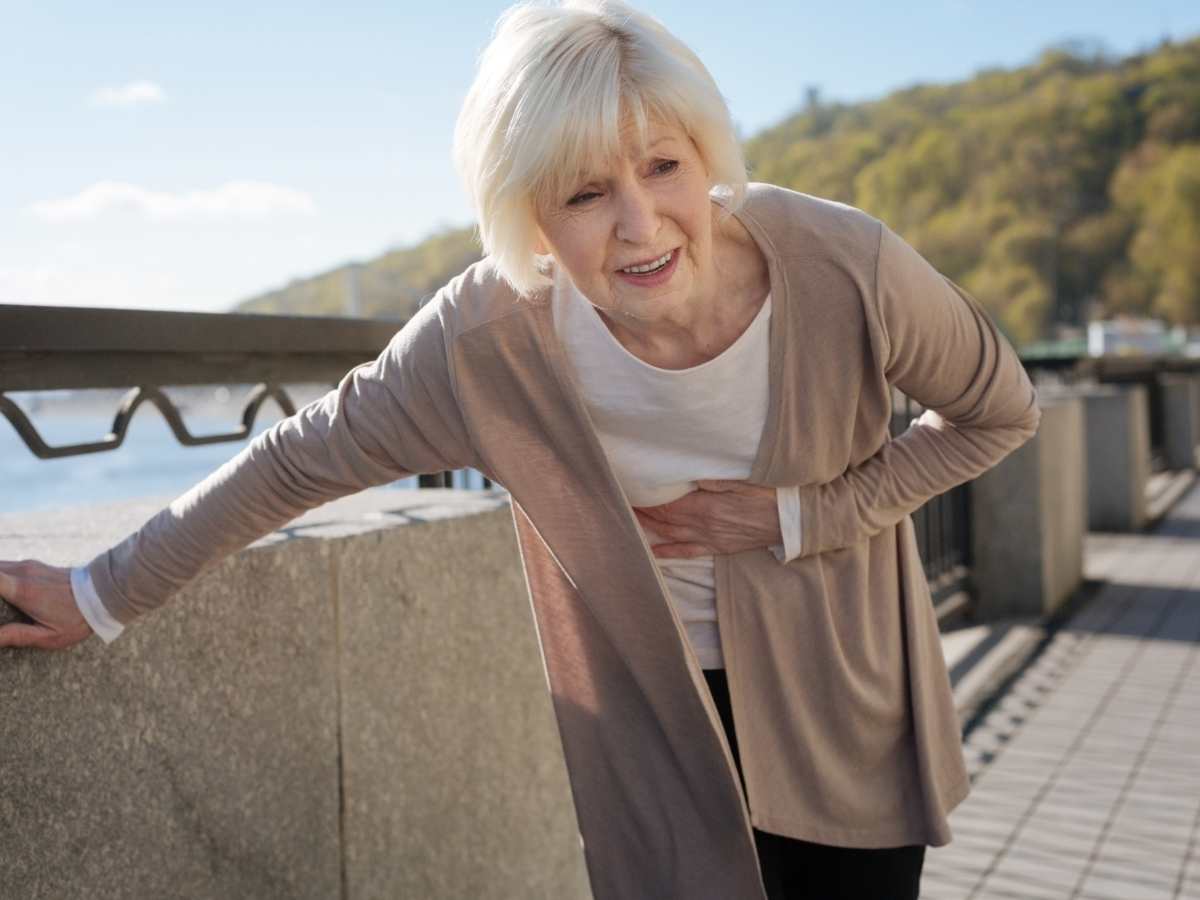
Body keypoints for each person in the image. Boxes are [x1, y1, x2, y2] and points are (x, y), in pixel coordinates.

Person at [0, 2, 1040, 898]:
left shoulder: (842, 263)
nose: (641, 226)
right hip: (652, 730)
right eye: (586, 192)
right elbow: (296, 459)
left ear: (705, 155)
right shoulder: (488, 338)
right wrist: (100, 593)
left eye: (663, 167)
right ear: (530, 211)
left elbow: (1001, 411)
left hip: (840, 703)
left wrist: (794, 515)